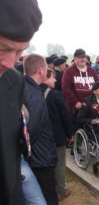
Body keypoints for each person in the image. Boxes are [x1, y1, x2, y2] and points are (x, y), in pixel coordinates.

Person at [0, 0, 42, 204]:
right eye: (2, 49)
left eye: (19, 52)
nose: (10, 62)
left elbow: (10, 156)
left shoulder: (14, 82)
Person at [23, 54, 58, 205]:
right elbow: (31, 133)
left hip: (33, 157)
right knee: (48, 197)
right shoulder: (36, 96)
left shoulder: (23, 87)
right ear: (41, 71)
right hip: (40, 159)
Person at [40, 69, 74, 201]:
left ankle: (48, 187)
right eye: (53, 77)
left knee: (47, 163)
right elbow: (65, 116)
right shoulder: (56, 95)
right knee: (59, 163)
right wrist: (70, 133)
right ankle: (60, 190)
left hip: (41, 137)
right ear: (46, 78)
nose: (55, 80)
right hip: (57, 136)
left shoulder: (34, 92)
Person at [62, 48, 99, 116]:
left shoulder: (91, 70)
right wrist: (75, 102)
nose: (83, 59)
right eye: (80, 57)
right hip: (77, 107)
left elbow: (98, 85)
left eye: (84, 57)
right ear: (75, 59)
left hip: (92, 106)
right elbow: (65, 88)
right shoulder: (69, 71)